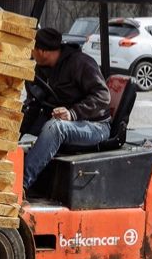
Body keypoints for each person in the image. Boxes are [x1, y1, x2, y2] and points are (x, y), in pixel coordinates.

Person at [22, 27, 111, 191]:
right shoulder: (41, 70)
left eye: (32, 49)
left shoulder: (80, 63)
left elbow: (103, 97)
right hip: (66, 123)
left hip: (95, 126)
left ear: (42, 51)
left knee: (55, 127)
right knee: (19, 119)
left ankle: (22, 183)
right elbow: (34, 104)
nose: (30, 53)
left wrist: (73, 113)